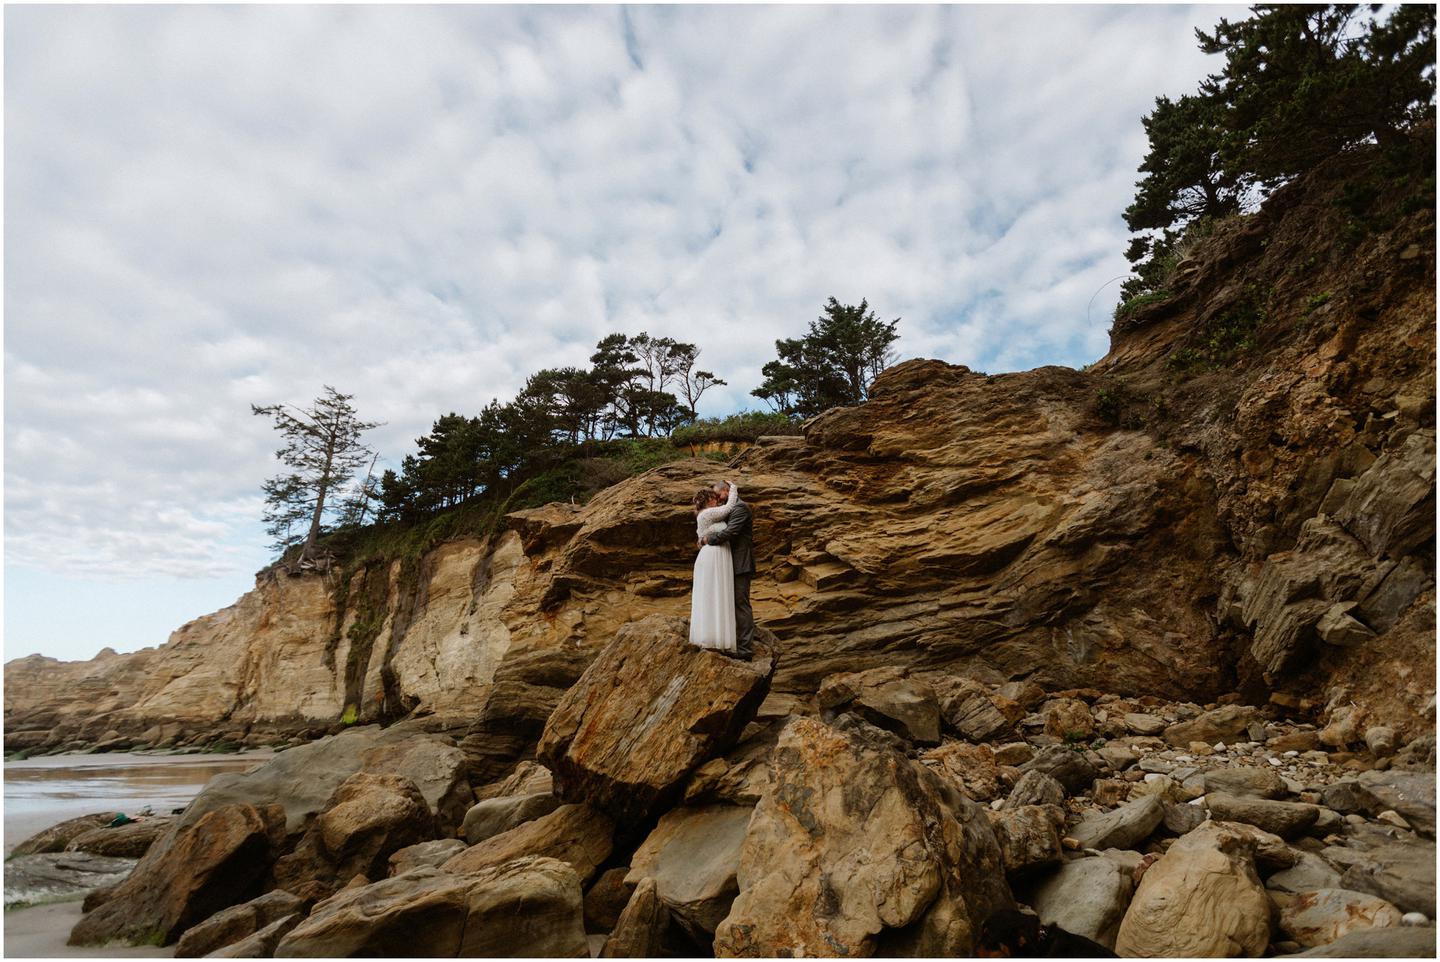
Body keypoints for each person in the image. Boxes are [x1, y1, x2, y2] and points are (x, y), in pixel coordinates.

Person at [702, 479, 755, 660]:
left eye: (718, 495)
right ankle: (732, 642)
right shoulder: (729, 508)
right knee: (729, 603)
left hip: (741, 563)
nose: (717, 498)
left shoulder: (740, 507)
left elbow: (731, 532)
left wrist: (708, 539)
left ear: (726, 491)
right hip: (729, 563)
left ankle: (745, 650)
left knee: (741, 604)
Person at [689, 482, 739, 653]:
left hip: (718, 553)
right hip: (713, 555)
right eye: (714, 498)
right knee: (712, 592)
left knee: (718, 592)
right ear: (707, 501)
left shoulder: (708, 514)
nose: (717, 500)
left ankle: (718, 637)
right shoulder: (707, 513)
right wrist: (733, 488)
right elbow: (729, 508)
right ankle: (711, 638)